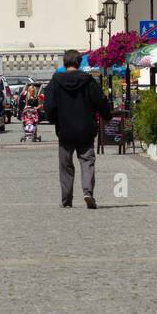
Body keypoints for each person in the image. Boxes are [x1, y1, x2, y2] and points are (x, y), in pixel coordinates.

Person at [44, 49, 112, 209]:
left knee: (66, 164)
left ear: (64, 62)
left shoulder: (56, 80)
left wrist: (54, 119)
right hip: (85, 128)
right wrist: (107, 116)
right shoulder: (88, 80)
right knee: (87, 161)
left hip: (65, 129)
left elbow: (49, 105)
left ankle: (66, 200)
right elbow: (100, 100)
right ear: (79, 62)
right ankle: (87, 191)